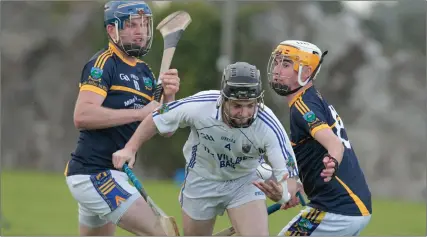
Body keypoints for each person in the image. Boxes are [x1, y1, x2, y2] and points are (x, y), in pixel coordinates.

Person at [112, 62, 301, 236]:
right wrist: (130, 148)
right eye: (237, 106)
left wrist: (283, 194)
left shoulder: (267, 124)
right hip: (201, 180)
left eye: (250, 106)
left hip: (245, 182)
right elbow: (157, 117)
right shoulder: (200, 105)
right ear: (224, 99)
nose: (244, 114)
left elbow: (289, 176)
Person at [64, 1, 180, 236]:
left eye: (144, 25)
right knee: (161, 233)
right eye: (131, 25)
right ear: (111, 30)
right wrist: (140, 112)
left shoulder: (145, 73)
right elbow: (82, 115)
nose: (140, 31)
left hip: (115, 173)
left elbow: (165, 129)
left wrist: (169, 98)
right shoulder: (104, 63)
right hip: (94, 172)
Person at [253, 40, 372, 236]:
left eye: (286, 65)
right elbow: (312, 152)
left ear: (306, 73)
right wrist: (298, 184)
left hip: (337, 210)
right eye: (276, 63)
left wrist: (333, 161)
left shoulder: (303, 107)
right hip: (351, 208)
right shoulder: (311, 99)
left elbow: (334, 144)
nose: (276, 70)